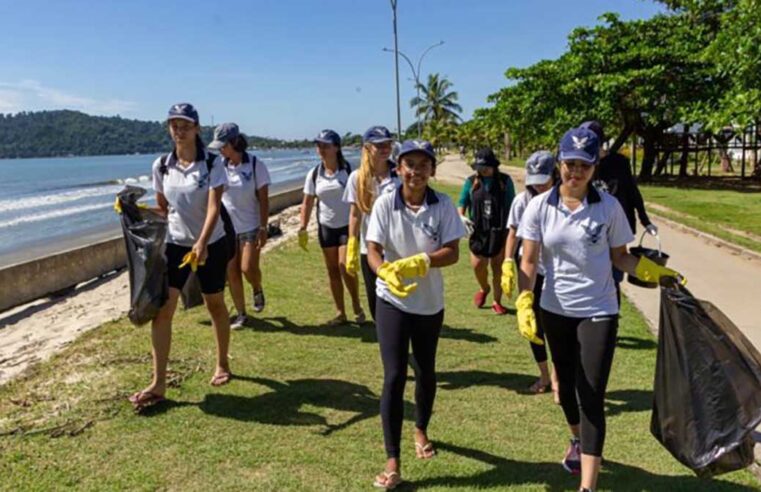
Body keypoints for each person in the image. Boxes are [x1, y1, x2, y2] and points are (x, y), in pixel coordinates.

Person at [515, 127, 685, 491]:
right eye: (570, 164)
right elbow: (529, 261)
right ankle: (576, 439)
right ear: (559, 163)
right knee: (565, 391)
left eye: (584, 166)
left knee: (591, 393)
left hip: (598, 309)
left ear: (594, 168)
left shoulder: (607, 208)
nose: (575, 173)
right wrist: (524, 299)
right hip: (554, 310)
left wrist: (657, 274)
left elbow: (621, 257)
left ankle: (587, 486)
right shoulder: (538, 207)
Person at [366, 139, 465, 489]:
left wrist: (424, 261)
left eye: (423, 164)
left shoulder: (443, 206)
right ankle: (393, 460)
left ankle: (420, 427)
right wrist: (384, 272)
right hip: (391, 300)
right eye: (409, 163)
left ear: (432, 170)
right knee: (394, 375)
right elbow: (373, 249)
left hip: (428, 304)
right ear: (398, 168)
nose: (416, 170)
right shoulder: (384, 204)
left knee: (425, 372)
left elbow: (453, 252)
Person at [129, 103, 233, 411]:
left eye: (185, 124)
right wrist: (135, 211)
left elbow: (214, 207)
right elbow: (164, 209)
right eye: (174, 124)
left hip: (211, 243)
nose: (179, 129)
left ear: (197, 128)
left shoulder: (212, 163)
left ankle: (222, 363)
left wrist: (201, 242)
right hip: (175, 244)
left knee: (214, 303)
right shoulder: (161, 165)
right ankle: (158, 382)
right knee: (163, 311)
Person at [580, 120, 658, 303]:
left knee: (613, 278)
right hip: (591, 229)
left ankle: (610, 319)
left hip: (617, 229)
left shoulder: (619, 163)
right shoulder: (582, 165)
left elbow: (632, 191)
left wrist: (645, 220)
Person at [502, 150, 557, 395]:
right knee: (533, 326)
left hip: (556, 272)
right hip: (530, 268)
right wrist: (506, 262)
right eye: (533, 182)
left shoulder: (564, 199)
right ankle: (544, 375)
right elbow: (513, 232)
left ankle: (559, 379)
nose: (537, 187)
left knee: (557, 325)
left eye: (542, 182)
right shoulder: (522, 201)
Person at [207, 123, 271, 329]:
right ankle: (241, 313)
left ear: (234, 142)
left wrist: (263, 227)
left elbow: (264, 199)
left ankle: (257, 287)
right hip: (227, 228)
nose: (220, 150)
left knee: (247, 268)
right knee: (231, 272)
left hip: (251, 226)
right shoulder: (220, 167)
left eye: (223, 145)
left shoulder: (255, 165)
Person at [299, 129, 365, 325]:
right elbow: (308, 201)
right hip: (326, 227)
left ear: (336, 148)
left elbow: (360, 199)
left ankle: (356, 304)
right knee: (332, 270)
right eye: (319, 145)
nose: (321, 149)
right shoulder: (314, 174)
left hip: (347, 225)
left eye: (326, 145)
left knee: (345, 267)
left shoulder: (349, 171)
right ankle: (340, 312)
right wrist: (302, 226)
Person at [343, 125, 400, 321]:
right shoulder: (357, 178)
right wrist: (352, 242)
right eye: (379, 145)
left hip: (397, 247)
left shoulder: (399, 175)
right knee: (376, 301)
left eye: (388, 144)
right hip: (371, 249)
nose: (385, 149)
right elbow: (355, 214)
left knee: (397, 297)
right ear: (367, 148)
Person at [458, 148, 515, 314]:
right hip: (478, 231)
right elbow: (462, 202)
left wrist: (510, 230)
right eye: (479, 167)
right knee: (478, 265)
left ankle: (497, 302)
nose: (482, 170)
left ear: (493, 166)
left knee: (498, 268)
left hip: (499, 230)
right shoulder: (471, 182)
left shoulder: (505, 181)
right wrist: (461, 217)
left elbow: (512, 205)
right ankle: (484, 288)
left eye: (486, 167)